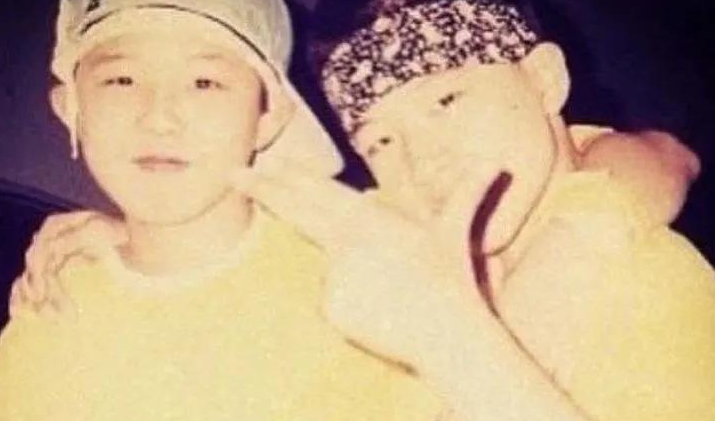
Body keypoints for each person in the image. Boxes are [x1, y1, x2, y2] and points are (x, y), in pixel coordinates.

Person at [7, 0, 714, 420]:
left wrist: (574, 240)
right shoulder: (378, 238)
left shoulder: (643, 281)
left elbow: (663, 155)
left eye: (447, 99)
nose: (423, 158)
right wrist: (137, 234)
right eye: (379, 140)